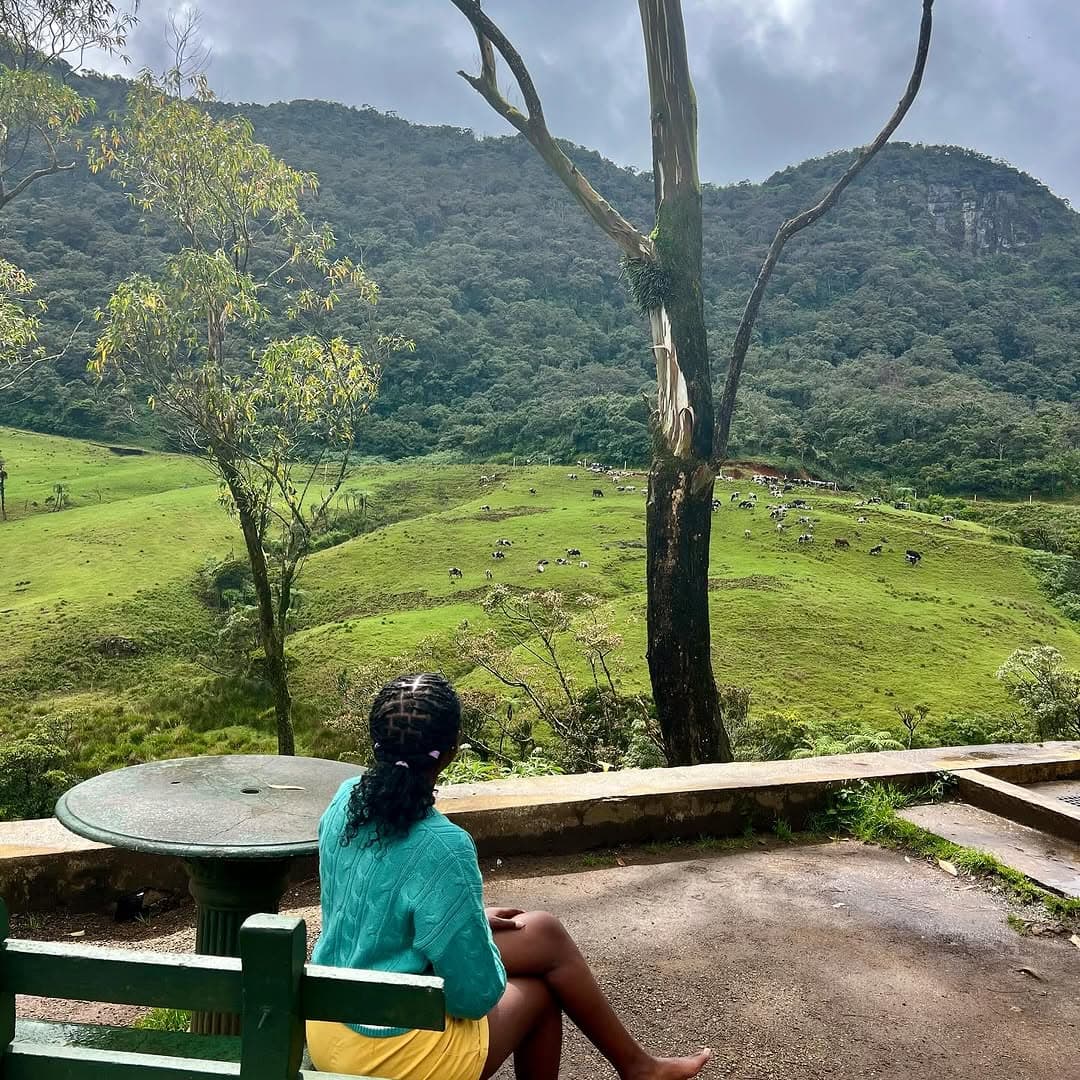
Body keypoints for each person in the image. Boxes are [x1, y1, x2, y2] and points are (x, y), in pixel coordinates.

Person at [307, 672, 712, 1080]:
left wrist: (464, 918)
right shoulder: (444, 846)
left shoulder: (344, 801)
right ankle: (638, 1068)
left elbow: (363, 906)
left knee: (543, 931)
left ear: (375, 742)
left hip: (327, 1024)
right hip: (388, 1051)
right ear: (451, 751)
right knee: (540, 993)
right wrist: (474, 941)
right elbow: (473, 996)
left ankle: (638, 1066)